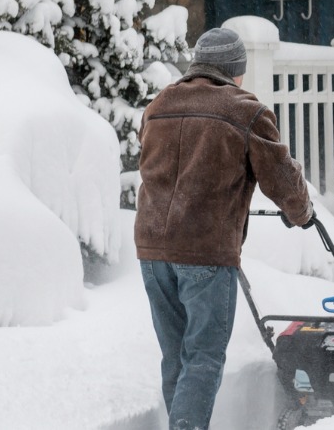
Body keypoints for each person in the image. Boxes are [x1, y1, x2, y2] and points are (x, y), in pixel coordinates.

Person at [135, 27, 315, 430]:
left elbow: (151, 165)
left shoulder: (159, 105)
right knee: (203, 356)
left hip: (152, 250)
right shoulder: (244, 110)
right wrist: (302, 212)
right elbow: (282, 179)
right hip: (204, 250)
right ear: (235, 71)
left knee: (177, 356)